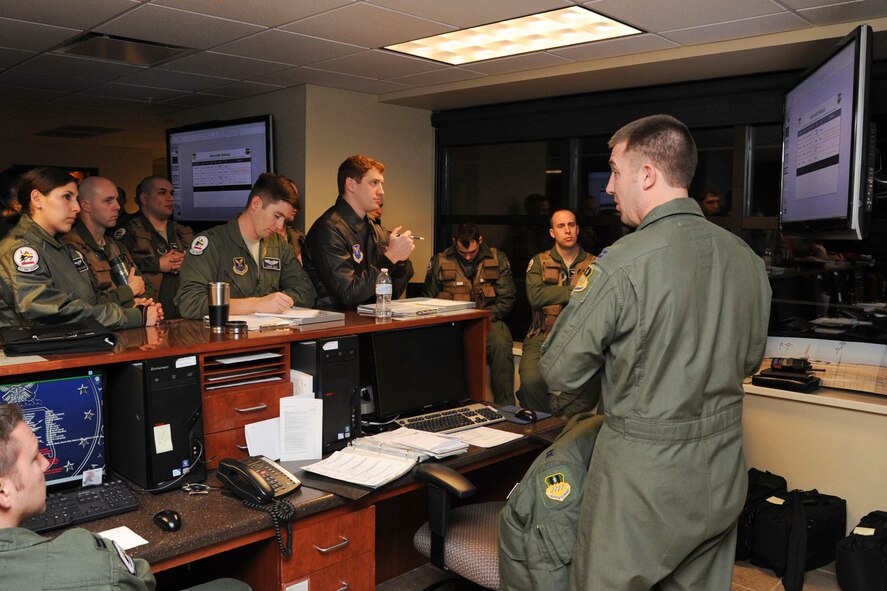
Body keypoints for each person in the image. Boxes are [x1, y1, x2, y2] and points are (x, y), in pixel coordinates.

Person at [538, 115, 771, 590]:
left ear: (647, 175)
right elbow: (748, 360)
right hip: (720, 468)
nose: (608, 188)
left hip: (643, 478)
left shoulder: (622, 263)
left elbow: (560, 369)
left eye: (615, 171)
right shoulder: (746, 259)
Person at [0, 403, 250, 591]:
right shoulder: (83, 559)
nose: (45, 464)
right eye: (34, 458)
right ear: (3, 491)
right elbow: (143, 579)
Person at [0, 167, 161, 329]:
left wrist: (130, 305)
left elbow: (89, 301)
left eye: (76, 199)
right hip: (34, 352)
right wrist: (129, 317)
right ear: (37, 199)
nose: (76, 207)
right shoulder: (21, 250)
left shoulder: (60, 248)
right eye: (66, 197)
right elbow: (49, 312)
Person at [176, 173, 316, 318]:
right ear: (256, 204)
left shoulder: (279, 245)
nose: (280, 225)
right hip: (224, 336)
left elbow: (305, 292)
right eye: (277, 216)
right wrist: (256, 304)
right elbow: (189, 302)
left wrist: (277, 301)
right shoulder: (211, 243)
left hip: (270, 334)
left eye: (284, 219)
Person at [422, 223, 516, 405]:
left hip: (488, 319)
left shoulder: (498, 258)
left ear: (480, 240)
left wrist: (482, 318)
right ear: (454, 241)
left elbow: (507, 299)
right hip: (451, 323)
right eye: (462, 252)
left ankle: (506, 407)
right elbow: (428, 299)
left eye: (472, 252)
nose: (467, 256)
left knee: (501, 343)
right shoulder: (439, 260)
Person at [304, 155, 414, 309]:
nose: (381, 191)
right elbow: (349, 294)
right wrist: (391, 257)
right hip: (336, 325)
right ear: (351, 185)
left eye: (381, 184)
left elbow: (392, 294)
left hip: (371, 321)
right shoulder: (329, 229)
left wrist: (400, 261)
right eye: (374, 183)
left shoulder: (375, 230)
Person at [518, 209, 599, 417]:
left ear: (578, 229)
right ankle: (550, 430)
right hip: (541, 335)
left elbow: (599, 299)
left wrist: (552, 293)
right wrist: (576, 291)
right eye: (561, 226)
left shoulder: (594, 263)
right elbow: (536, 297)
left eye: (571, 225)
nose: (568, 231)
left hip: (580, 338)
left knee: (595, 382)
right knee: (529, 381)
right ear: (553, 232)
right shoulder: (539, 262)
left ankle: (552, 409)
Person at [62, 176, 153, 309]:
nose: (117, 206)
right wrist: (130, 296)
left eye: (116, 200)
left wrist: (144, 304)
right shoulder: (70, 248)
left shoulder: (115, 245)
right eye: (108, 201)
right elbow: (86, 304)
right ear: (86, 205)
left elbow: (145, 286)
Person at [119, 176, 193, 319]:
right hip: (152, 314)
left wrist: (189, 262)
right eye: (162, 193)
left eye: (172, 193)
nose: (170, 198)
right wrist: (157, 264)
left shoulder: (183, 231)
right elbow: (120, 268)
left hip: (186, 314)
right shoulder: (128, 231)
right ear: (144, 199)